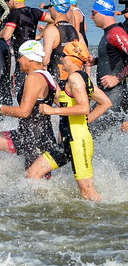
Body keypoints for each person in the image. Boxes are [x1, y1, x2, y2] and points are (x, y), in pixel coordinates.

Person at [32, 41, 111, 201]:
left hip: (78, 142)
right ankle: (49, 211)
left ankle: (104, 220)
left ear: (72, 58)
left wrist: (53, 111)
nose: (61, 59)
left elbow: (83, 108)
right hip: (69, 141)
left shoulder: (75, 79)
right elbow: (105, 102)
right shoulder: (82, 78)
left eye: (63, 55)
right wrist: (85, 121)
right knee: (33, 174)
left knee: (88, 193)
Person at [0, 41, 58, 172]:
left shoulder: (33, 78)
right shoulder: (47, 75)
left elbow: (24, 112)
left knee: (35, 183)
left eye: (20, 56)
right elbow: (62, 101)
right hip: (32, 134)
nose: (18, 59)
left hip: (35, 138)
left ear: (30, 58)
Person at [90, 0, 128, 125]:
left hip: (115, 94)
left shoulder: (116, 32)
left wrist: (117, 78)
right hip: (108, 95)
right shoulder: (109, 32)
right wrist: (96, 61)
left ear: (102, 13)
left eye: (93, 13)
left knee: (87, 131)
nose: (91, 17)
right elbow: (115, 57)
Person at [41, 0, 79, 73]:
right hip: (72, 76)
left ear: (57, 9)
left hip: (57, 78)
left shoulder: (51, 30)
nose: (49, 9)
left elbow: (45, 59)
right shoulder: (74, 30)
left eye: (51, 6)